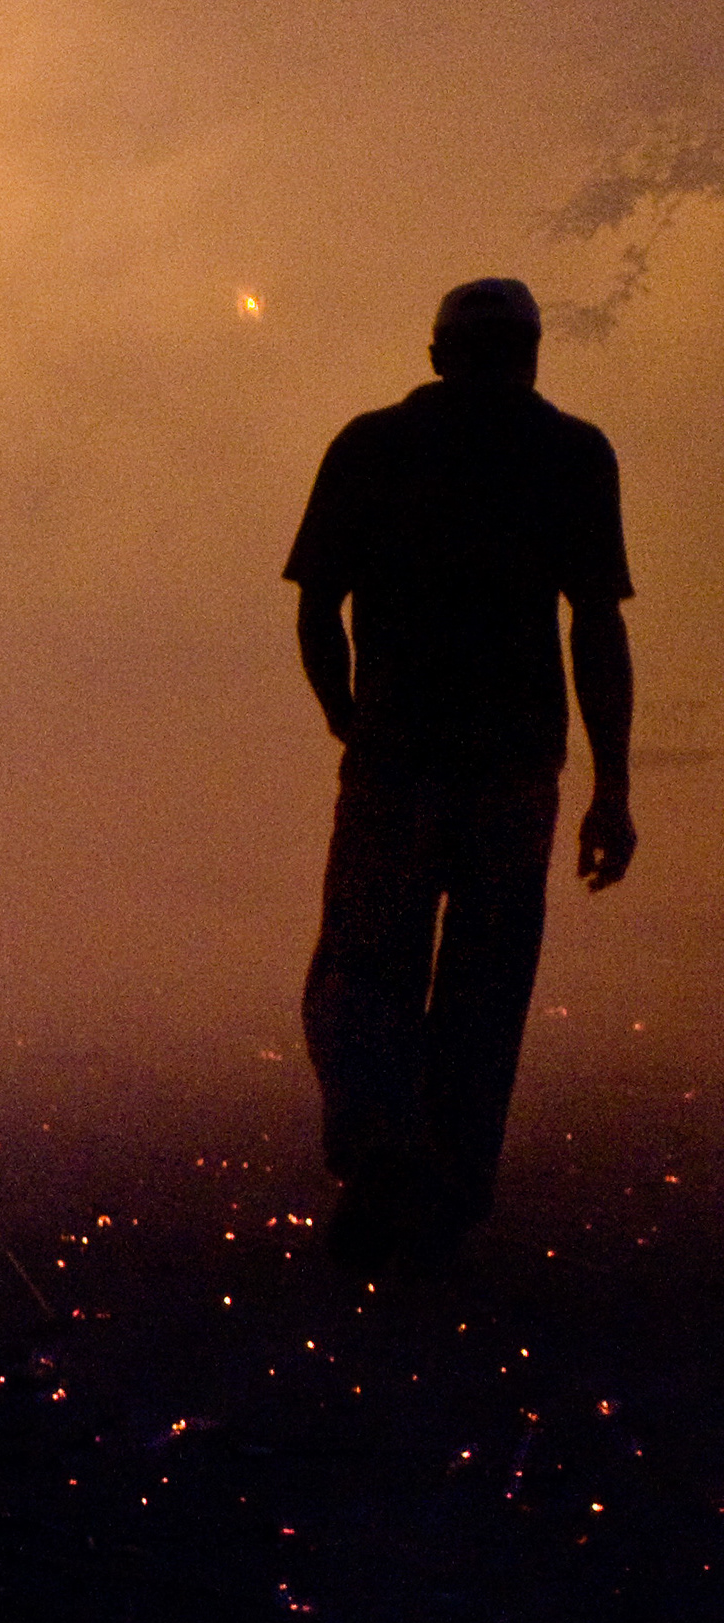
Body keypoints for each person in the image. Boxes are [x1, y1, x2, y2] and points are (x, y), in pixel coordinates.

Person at [287, 275, 636, 1274]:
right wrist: (611, 786)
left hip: (399, 758)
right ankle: (443, 1192)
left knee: (363, 967)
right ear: (532, 353)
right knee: (487, 984)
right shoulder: (570, 454)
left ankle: (380, 1146)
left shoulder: (373, 447)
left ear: (437, 356)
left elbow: (317, 606)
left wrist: (347, 715)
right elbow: (596, 628)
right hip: (514, 765)